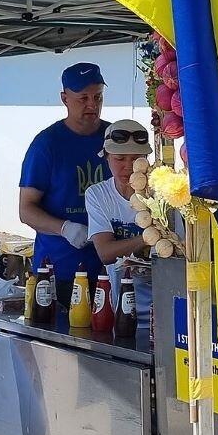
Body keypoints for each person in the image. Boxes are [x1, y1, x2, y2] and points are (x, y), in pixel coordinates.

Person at [18, 61, 108, 287]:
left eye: (97, 96)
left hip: (111, 267)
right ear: (64, 98)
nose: (92, 105)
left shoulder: (114, 138)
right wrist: (65, 228)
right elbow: (26, 209)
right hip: (60, 268)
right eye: (83, 98)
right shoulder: (46, 145)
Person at [85, 119, 156, 324]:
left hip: (162, 311)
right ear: (106, 157)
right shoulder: (98, 195)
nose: (127, 166)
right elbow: (105, 254)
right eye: (120, 158)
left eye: (135, 159)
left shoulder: (161, 194)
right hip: (122, 312)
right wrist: (148, 237)